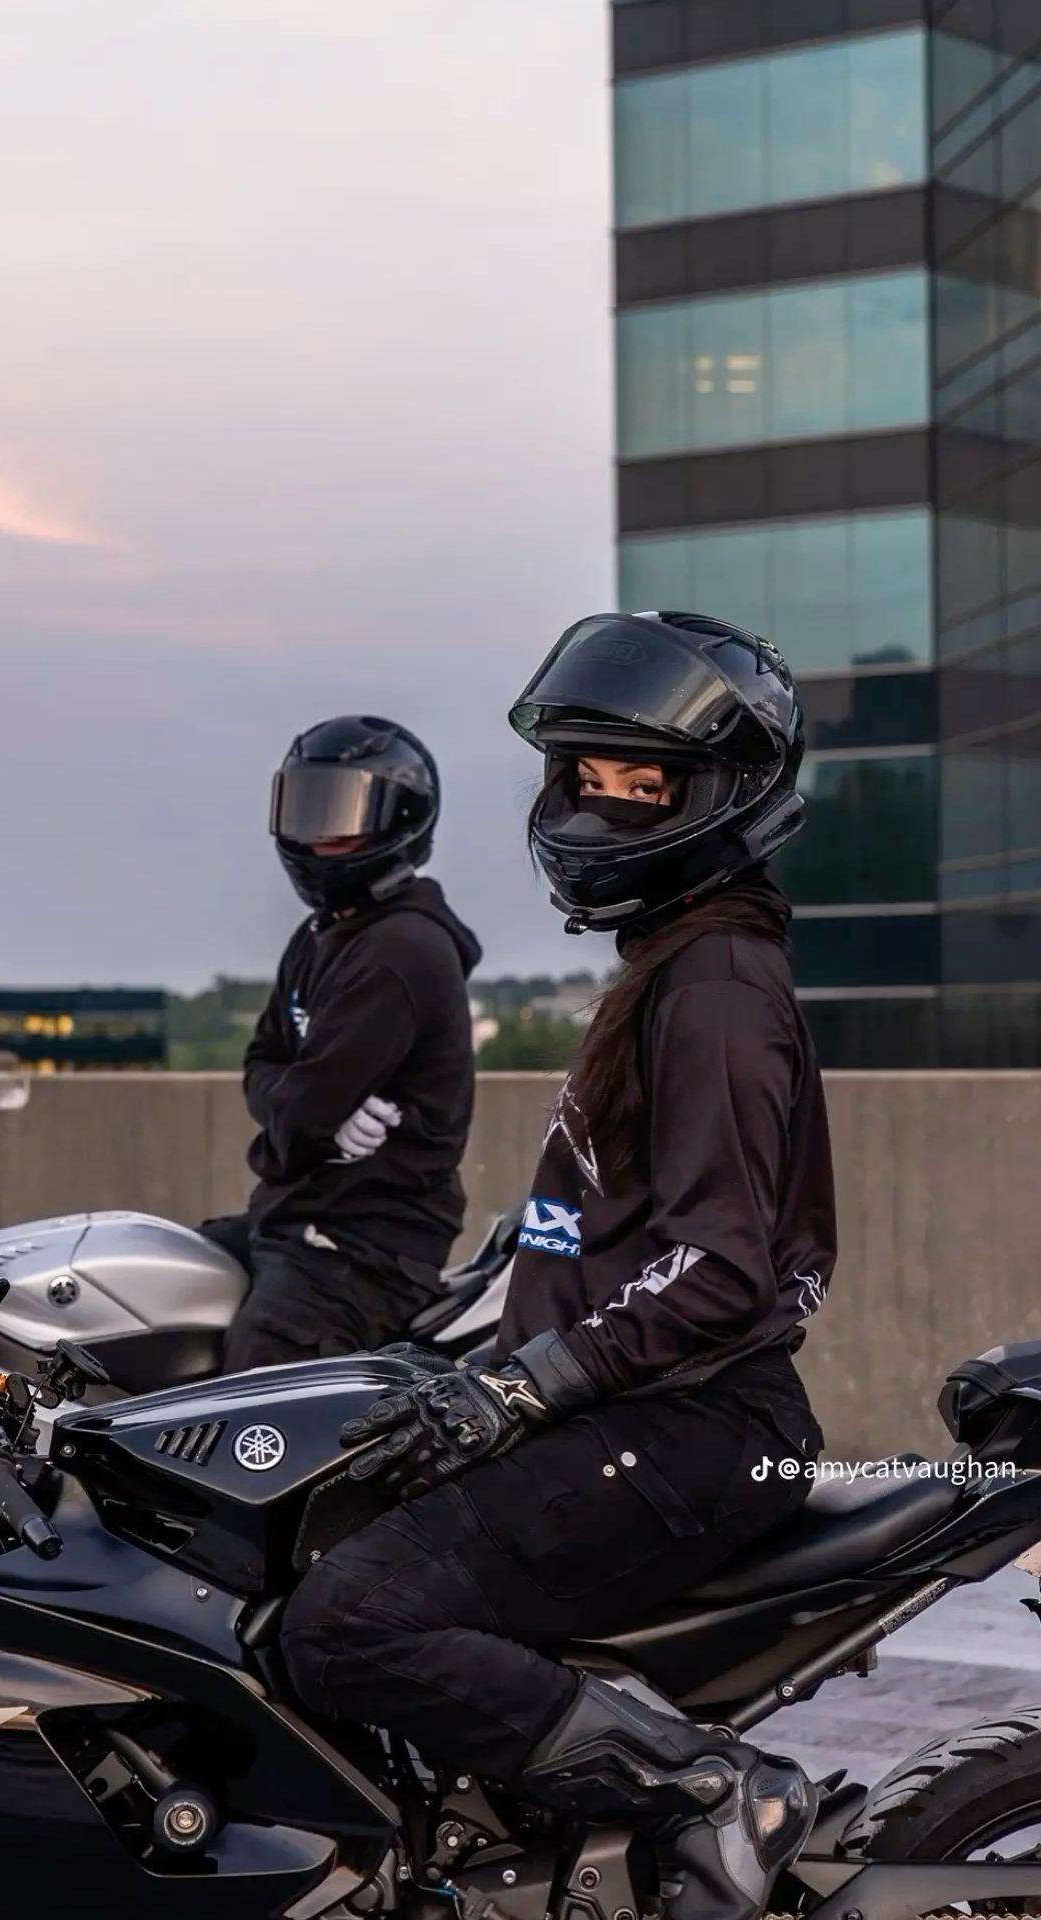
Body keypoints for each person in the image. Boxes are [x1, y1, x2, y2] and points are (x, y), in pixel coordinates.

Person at [280, 614, 837, 1920]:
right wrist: (454, 1351)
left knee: (348, 1621)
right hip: (640, 1411)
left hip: (690, 1425)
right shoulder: (670, 970)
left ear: (722, 794)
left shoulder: (716, 988)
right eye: (583, 774)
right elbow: (579, 1236)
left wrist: (522, 1388)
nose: (600, 803)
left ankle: (710, 1789)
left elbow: (718, 1268)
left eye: (643, 781)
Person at [210, 714, 482, 1372]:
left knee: (250, 1402)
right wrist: (299, 1110)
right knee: (142, 1288)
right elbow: (262, 1064)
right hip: (293, 1221)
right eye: (305, 811)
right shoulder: (321, 934)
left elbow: (299, 1123)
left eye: (340, 816)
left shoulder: (401, 952)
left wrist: (298, 1121)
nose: (316, 836)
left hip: (364, 1246)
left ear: (399, 821)